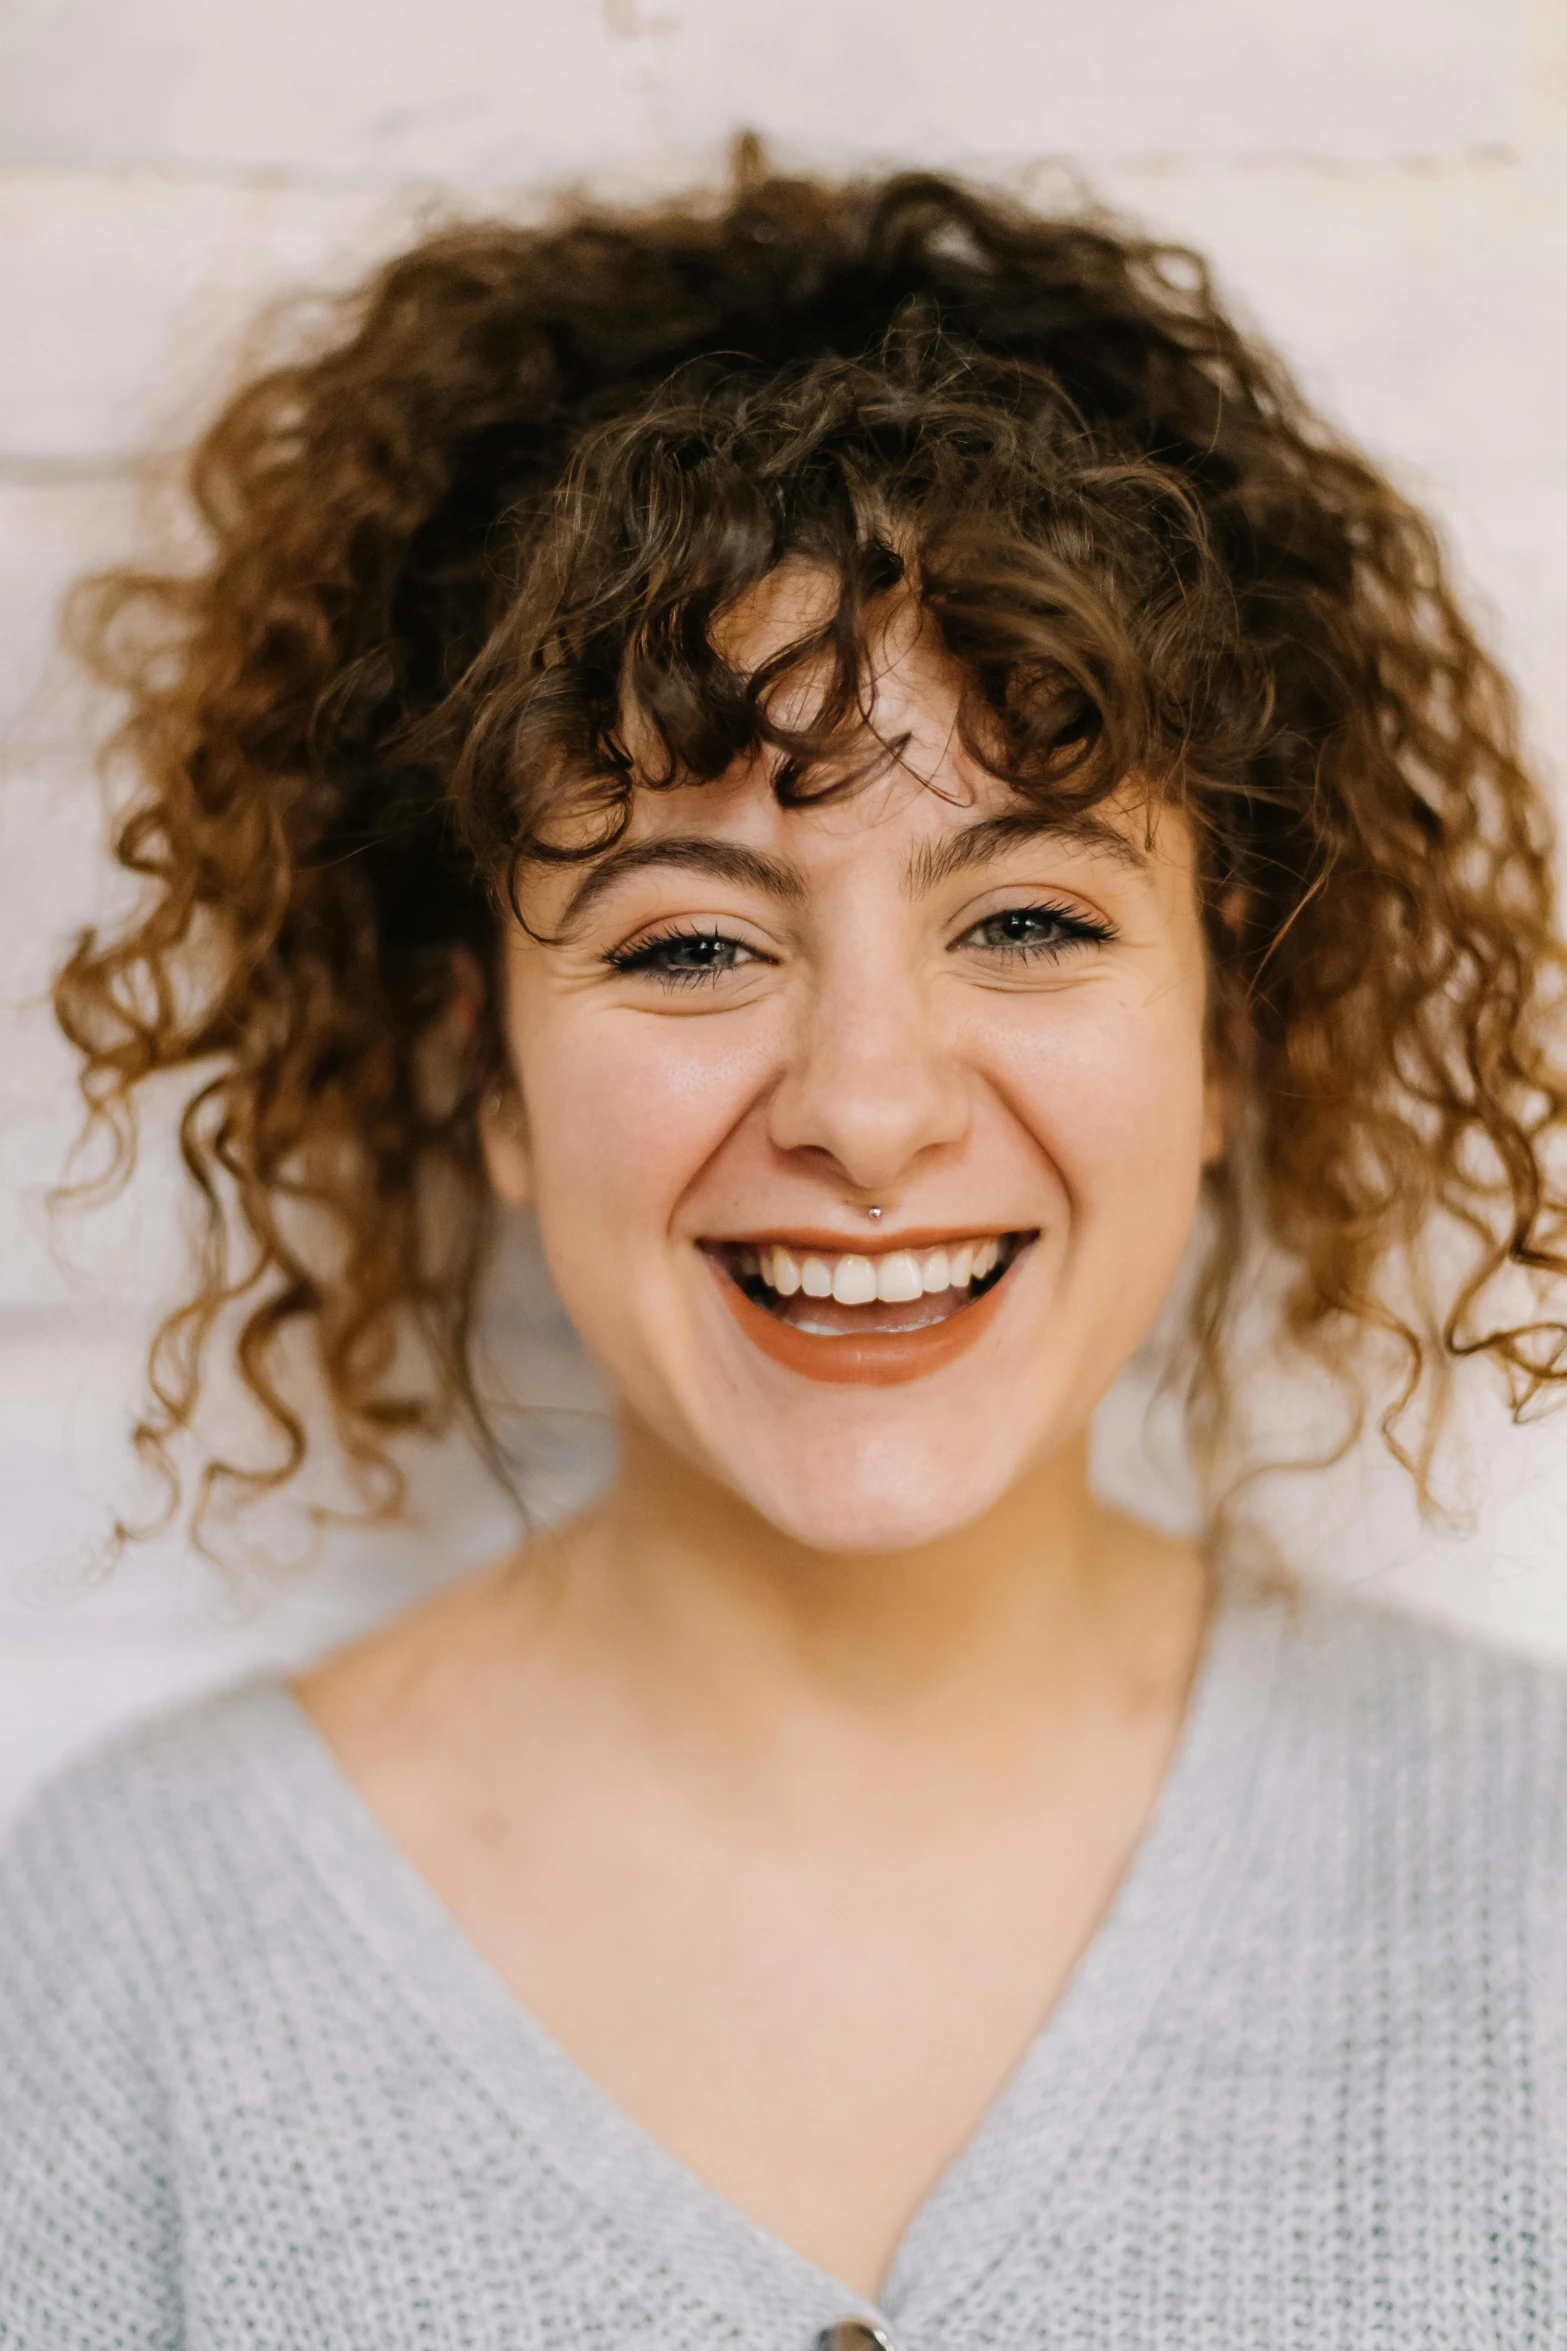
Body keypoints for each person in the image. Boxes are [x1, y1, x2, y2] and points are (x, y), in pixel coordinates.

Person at [3, 155, 1566, 2349]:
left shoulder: (1539, 1887)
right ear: (486, 1064)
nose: (865, 1100)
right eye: (692, 936)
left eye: (1026, 916)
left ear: (1226, 1027)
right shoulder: (115, 1972)